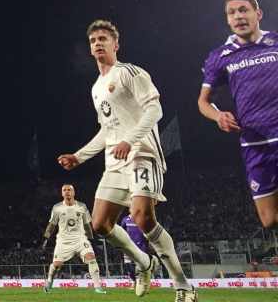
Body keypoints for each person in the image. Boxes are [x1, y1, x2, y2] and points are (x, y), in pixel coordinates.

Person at [57, 20, 195, 302]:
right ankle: (145, 263)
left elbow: (155, 110)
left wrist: (130, 140)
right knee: (99, 225)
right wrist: (79, 156)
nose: (98, 43)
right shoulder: (96, 88)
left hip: (142, 153)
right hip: (115, 161)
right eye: (93, 40)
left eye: (103, 38)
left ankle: (183, 286)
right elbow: (107, 130)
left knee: (143, 217)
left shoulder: (130, 72)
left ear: (116, 44)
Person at [198, 0, 278, 232]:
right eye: (232, 13)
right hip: (255, 143)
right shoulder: (220, 57)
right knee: (269, 219)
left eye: (243, 10)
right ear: (227, 20)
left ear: (258, 14)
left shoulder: (275, 41)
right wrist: (218, 116)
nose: (238, 16)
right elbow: (203, 102)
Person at [40, 184, 104, 294]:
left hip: (80, 239)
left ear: (74, 192)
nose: (67, 192)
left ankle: (98, 287)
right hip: (63, 241)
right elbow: (52, 224)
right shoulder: (57, 207)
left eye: (69, 190)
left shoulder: (82, 206)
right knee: (57, 265)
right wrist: (45, 238)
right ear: (62, 193)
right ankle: (50, 281)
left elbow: (87, 224)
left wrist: (91, 238)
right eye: (64, 190)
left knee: (91, 258)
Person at [120, 212, 156, 282]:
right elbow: (122, 232)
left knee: (142, 266)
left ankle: (142, 281)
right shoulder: (125, 220)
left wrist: (149, 241)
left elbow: (149, 231)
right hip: (128, 246)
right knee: (128, 265)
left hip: (142, 246)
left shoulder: (143, 219)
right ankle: (133, 279)